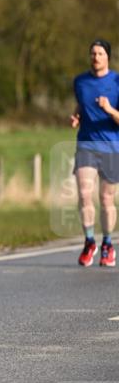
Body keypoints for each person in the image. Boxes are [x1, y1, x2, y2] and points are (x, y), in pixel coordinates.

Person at [71, 38, 119, 267]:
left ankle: (108, 244)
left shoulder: (117, 81)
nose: (96, 57)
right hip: (86, 144)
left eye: (100, 53)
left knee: (106, 198)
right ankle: (90, 241)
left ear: (107, 56)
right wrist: (76, 116)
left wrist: (110, 109)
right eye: (93, 53)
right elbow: (81, 104)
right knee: (84, 193)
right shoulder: (80, 81)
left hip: (111, 146)